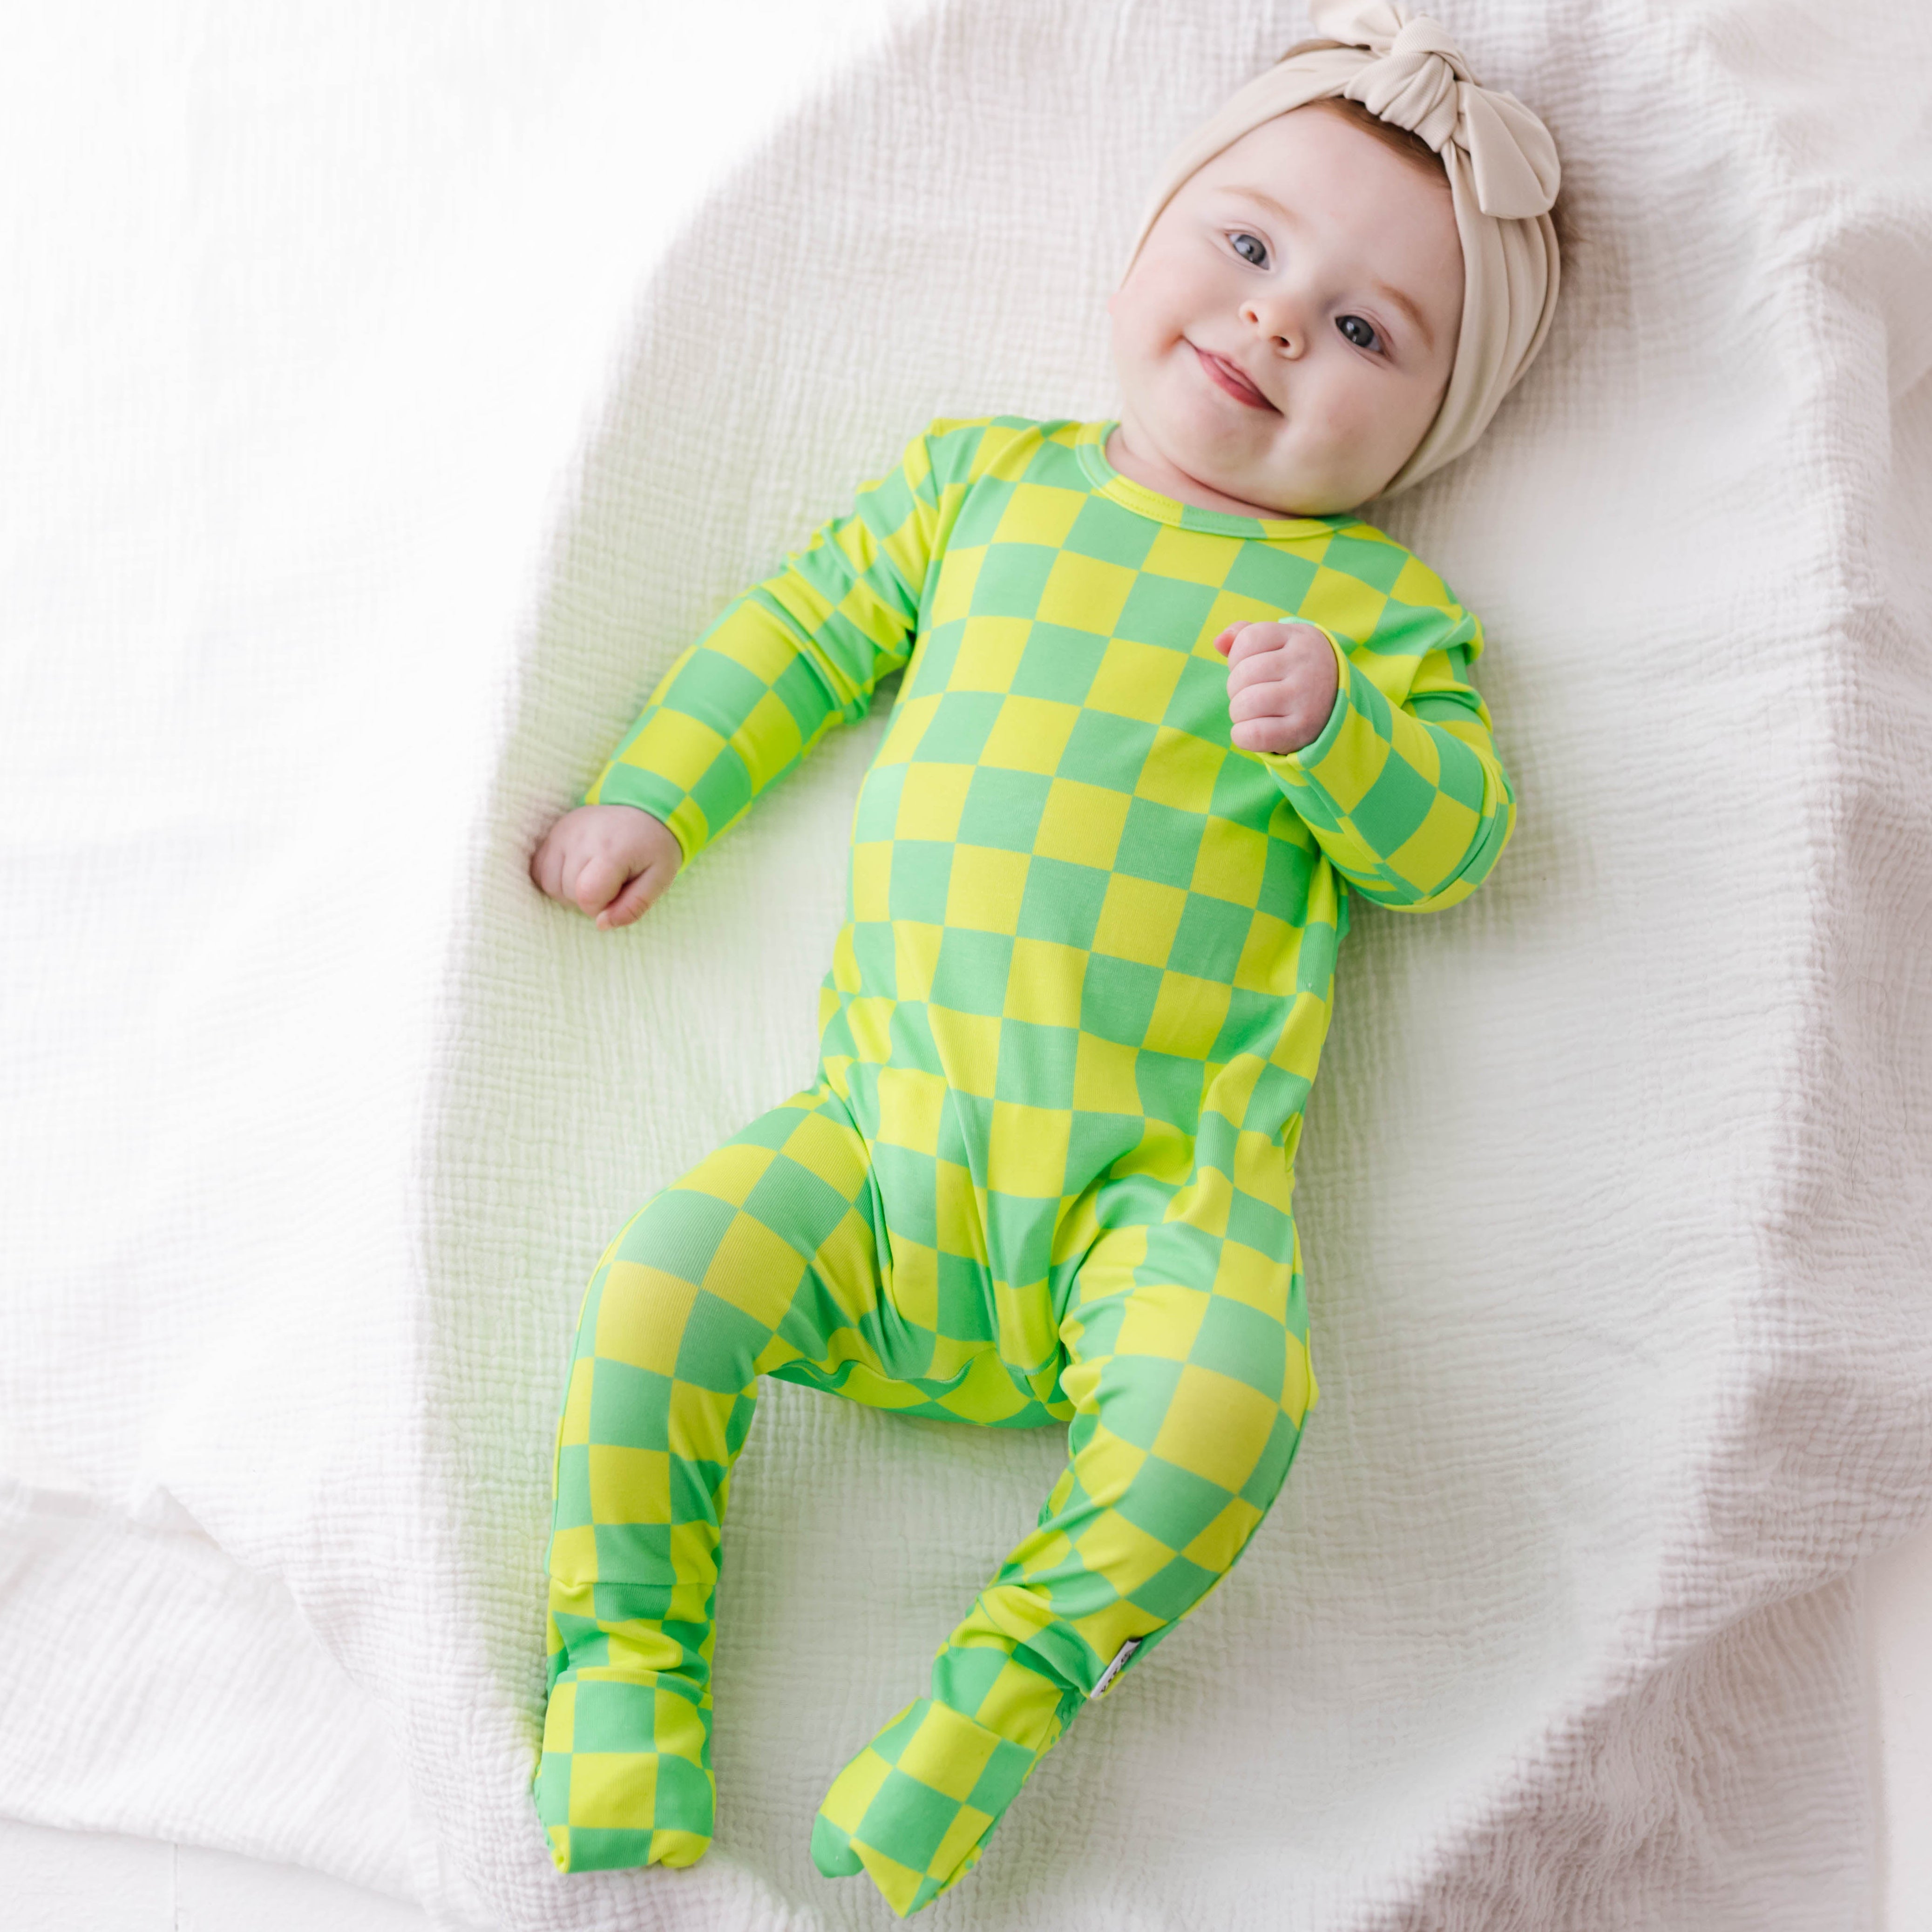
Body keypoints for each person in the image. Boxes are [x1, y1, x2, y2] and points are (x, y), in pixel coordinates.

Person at [525, 2, 1562, 1914]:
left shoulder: (1378, 614)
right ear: (1154, 237)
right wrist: (654, 797)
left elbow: (1457, 848)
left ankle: (994, 1698)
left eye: (1363, 332)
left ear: (1435, 428)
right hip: (877, 1144)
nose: (1274, 323)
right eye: (1248, 250)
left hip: (1152, 1209)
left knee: (1233, 1400)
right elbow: (803, 635)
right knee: (670, 1276)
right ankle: (623, 1670)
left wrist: (1343, 732)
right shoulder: (984, 488)